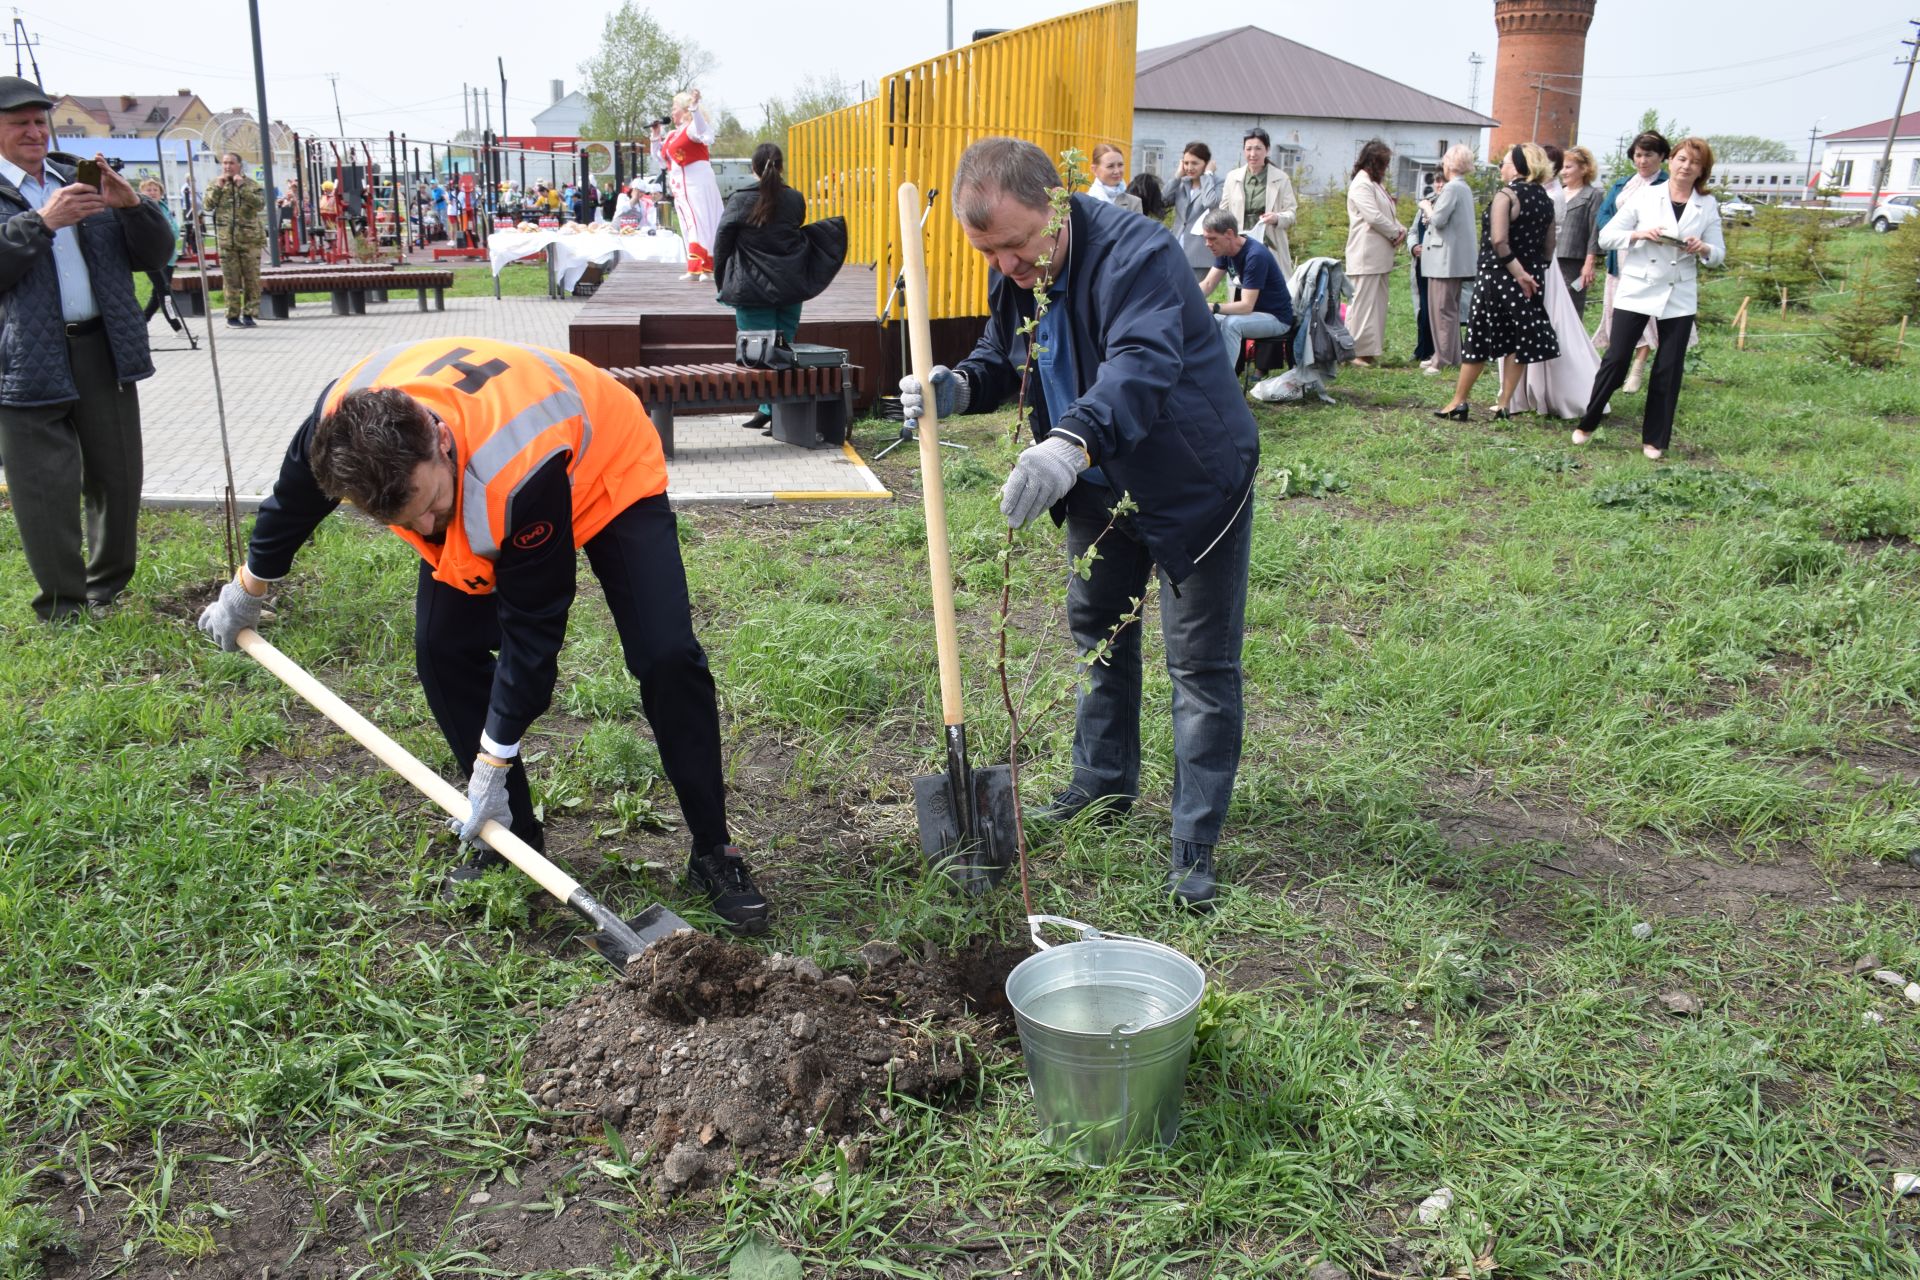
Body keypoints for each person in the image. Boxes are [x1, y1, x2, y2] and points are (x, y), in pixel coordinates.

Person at [194, 337, 772, 934]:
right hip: (486, 475)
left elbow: (534, 630)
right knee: (442, 648)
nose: (425, 529)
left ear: (439, 440)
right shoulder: (339, 423)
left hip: (605, 464)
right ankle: (513, 836)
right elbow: (293, 502)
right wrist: (247, 590)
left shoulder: (518, 470)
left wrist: (491, 763)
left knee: (665, 653)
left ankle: (713, 850)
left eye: (428, 504)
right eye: (401, 522)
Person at [897, 138, 1259, 908]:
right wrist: (956, 386)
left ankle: (1193, 845)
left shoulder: (1141, 256)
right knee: (1100, 634)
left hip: (1191, 481)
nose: (1007, 266)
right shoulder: (1019, 271)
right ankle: (1101, 784)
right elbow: (1005, 355)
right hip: (1095, 483)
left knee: (1198, 667)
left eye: (1016, 246)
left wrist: (1068, 441)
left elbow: (1140, 365)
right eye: (988, 253)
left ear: (1057, 205)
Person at [0, 77, 175, 622]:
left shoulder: (76, 175)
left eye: (38, 121)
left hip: (101, 348)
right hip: (24, 359)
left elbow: (154, 253)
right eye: (18, 123)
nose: (33, 132)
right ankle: (62, 606)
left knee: (118, 476)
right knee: (44, 490)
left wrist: (130, 208)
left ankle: (106, 590)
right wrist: (43, 221)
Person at [1573, 137, 1724, 460]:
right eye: (1682, 159)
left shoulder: (1706, 204)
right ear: (1671, 161)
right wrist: (1640, 235)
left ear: (1702, 170)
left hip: (1679, 291)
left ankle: (1655, 438)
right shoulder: (1646, 195)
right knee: (1616, 359)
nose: (1686, 167)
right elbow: (1607, 236)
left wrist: (1704, 248)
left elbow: (1719, 252)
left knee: (1669, 367)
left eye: (1694, 163)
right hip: (1638, 287)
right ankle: (1589, 420)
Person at [712, 142, 847, 433]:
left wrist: (722, 279)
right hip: (789, 286)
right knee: (784, 352)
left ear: (754, 169)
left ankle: (771, 411)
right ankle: (770, 410)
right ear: (782, 167)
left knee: (758, 354)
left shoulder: (739, 200)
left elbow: (722, 242)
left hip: (751, 290)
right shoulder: (795, 199)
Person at [1433, 144, 1558, 421]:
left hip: (1498, 274)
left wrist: (1517, 273)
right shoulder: (1545, 199)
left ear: (1518, 166)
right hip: (1533, 276)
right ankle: (1503, 404)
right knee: (1518, 338)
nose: (1501, 168)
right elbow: (1550, 246)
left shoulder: (1507, 195)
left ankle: (1458, 401)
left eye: (1504, 163)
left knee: (1479, 336)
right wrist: (1532, 273)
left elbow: (1499, 240)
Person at [1594, 131, 1670, 393]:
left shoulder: (1667, 185)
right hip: (1622, 257)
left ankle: (1638, 366)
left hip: (1652, 258)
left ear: (1661, 156)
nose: (1642, 160)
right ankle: (1618, 365)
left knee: (1645, 314)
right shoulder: (1622, 185)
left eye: (1648, 154)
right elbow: (1604, 217)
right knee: (1617, 312)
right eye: (1638, 155)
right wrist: (1621, 234)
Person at [1196, 207, 1294, 371]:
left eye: (1212, 239)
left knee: (1231, 324)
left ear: (1228, 234)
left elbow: (1246, 306)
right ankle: (1203, 372)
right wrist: (1185, 300)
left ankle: (1225, 384)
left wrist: (1214, 307)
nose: (1208, 244)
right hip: (1251, 315)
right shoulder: (1225, 251)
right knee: (1204, 319)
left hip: (1276, 318)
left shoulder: (1255, 256)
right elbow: (1207, 284)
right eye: (1206, 239)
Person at [1417, 144, 1477, 376]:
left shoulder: (1452, 189)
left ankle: (1441, 359)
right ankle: (1450, 355)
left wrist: (1426, 206)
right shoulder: (1463, 188)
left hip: (1445, 260)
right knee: (1448, 309)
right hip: (1452, 260)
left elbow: (1439, 220)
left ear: (1451, 164)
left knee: (1441, 309)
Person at [1343, 139, 1404, 367]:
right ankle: (1355, 351)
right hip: (1365, 253)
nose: (1386, 169)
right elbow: (1374, 217)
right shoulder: (1361, 184)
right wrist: (1395, 231)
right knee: (1362, 304)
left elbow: (1387, 211)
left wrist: (1400, 228)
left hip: (1379, 255)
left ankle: (1369, 350)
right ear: (1372, 162)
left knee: (1376, 304)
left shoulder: (1374, 183)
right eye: (1383, 164)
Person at [651, 89, 724, 281]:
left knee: (699, 221)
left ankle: (704, 266)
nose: (672, 112)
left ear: (684, 110)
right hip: (680, 185)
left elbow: (702, 132)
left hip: (696, 181)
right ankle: (696, 266)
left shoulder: (691, 127)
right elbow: (660, 158)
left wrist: (695, 108)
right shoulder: (673, 134)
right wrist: (656, 136)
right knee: (688, 222)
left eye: (674, 108)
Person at [1221, 128, 1296, 280]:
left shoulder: (1281, 178)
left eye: (1258, 149)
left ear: (1267, 150)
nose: (1253, 154)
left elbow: (1291, 214)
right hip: (1239, 243)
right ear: (1243, 150)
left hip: (1269, 244)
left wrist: (1276, 218)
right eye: (1248, 149)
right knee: (1241, 289)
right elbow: (1223, 211)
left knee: (1269, 287)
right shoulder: (1233, 177)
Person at [204, 151, 264, 328]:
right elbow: (207, 206)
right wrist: (218, 187)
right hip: (226, 241)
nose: (227, 166)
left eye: (231, 163)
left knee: (252, 279)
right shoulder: (216, 184)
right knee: (231, 280)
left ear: (239, 165)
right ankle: (232, 316)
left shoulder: (251, 184)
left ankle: (249, 314)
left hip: (250, 240)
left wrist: (242, 187)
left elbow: (260, 204)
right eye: (224, 163)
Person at [1555, 146, 1602, 321]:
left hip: (1573, 261)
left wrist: (1589, 263)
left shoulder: (1592, 195)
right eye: (1562, 167)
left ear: (1584, 169)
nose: (1563, 171)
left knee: (1570, 309)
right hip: (1550, 258)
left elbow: (1595, 231)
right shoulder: (1556, 192)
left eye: (1568, 167)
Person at [1167, 142, 1222, 283]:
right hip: (1176, 248)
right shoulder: (1182, 183)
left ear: (1206, 163)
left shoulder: (1218, 183)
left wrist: (1208, 175)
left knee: (1193, 297)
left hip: (1199, 254)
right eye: (1186, 163)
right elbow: (1162, 200)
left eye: (1194, 163)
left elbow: (1211, 203)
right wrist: (1177, 176)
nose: (1189, 168)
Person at [137, 178, 185, 335]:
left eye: (155, 190)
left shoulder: (164, 208)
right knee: (165, 292)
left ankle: (141, 323)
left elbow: (175, 231)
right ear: (141, 192)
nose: (152, 193)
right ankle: (176, 326)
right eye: (148, 190)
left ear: (161, 193)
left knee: (157, 294)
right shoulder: (141, 209)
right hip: (153, 257)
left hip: (169, 257)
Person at [1086, 144, 1143, 213]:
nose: (1117, 171)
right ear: (1094, 169)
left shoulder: (1134, 203)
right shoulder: (1084, 201)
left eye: (1120, 165)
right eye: (1110, 166)